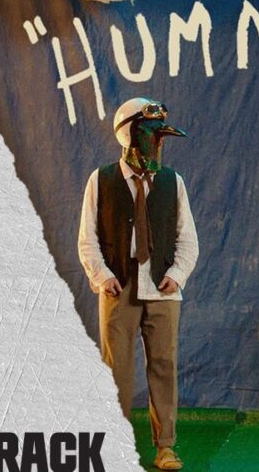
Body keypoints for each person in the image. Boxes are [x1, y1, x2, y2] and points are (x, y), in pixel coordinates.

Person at [77, 97, 199, 470]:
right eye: (152, 136)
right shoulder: (101, 180)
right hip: (119, 286)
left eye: (161, 138)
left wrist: (176, 274)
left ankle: (165, 446)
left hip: (162, 288)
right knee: (116, 369)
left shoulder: (173, 182)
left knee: (163, 364)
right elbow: (87, 238)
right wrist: (102, 276)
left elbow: (187, 239)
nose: (157, 144)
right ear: (130, 135)